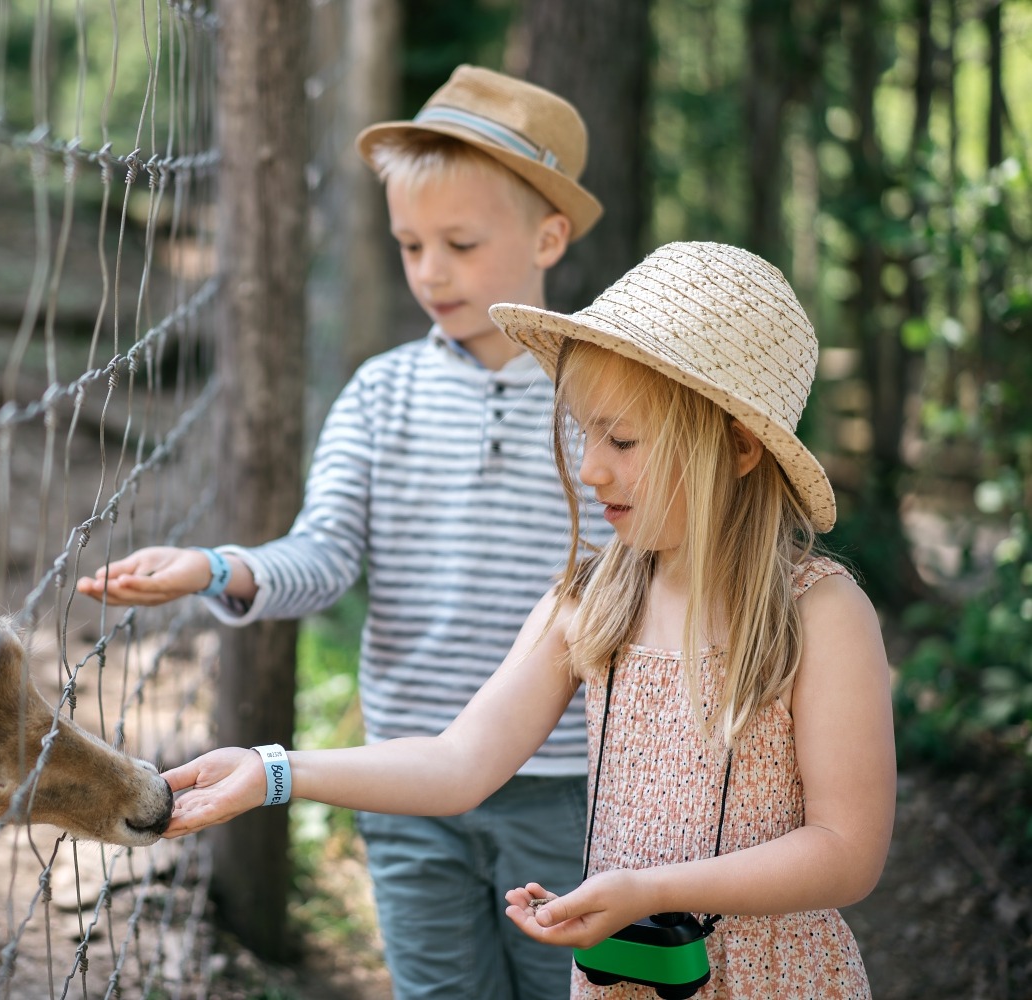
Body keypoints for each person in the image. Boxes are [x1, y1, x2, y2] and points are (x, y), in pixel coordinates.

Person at [153, 242, 897, 999]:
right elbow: (457, 763)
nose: (589, 469)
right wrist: (274, 771)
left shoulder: (822, 615)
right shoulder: (591, 603)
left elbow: (847, 850)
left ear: (737, 447)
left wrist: (649, 888)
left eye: (624, 439)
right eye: (585, 433)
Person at [78, 65, 609, 999]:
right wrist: (218, 568)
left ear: (549, 235)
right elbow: (323, 558)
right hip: (403, 779)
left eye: (460, 242)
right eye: (410, 245)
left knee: (569, 990)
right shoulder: (380, 394)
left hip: (568, 784)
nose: (430, 271)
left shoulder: (601, 403)